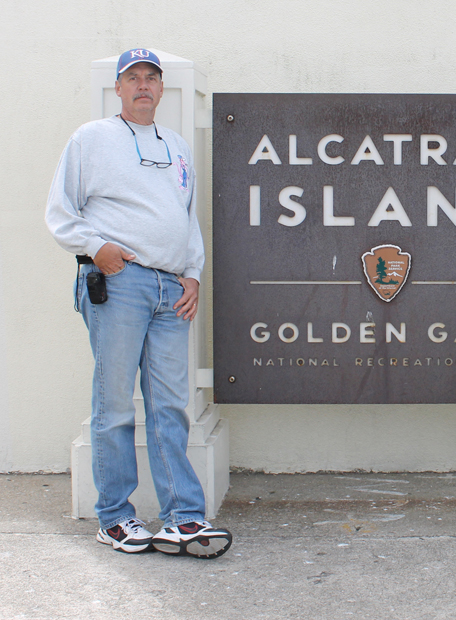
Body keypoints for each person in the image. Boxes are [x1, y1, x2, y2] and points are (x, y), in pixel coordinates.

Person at [45, 49, 232, 558]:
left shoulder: (175, 146)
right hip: (120, 284)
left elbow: (186, 215)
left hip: (171, 289)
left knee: (170, 404)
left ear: (161, 88)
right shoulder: (92, 138)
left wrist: (192, 273)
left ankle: (183, 517)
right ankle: (116, 517)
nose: (143, 85)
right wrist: (97, 249)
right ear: (119, 87)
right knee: (114, 404)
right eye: (134, 78)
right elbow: (60, 210)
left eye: (152, 78)